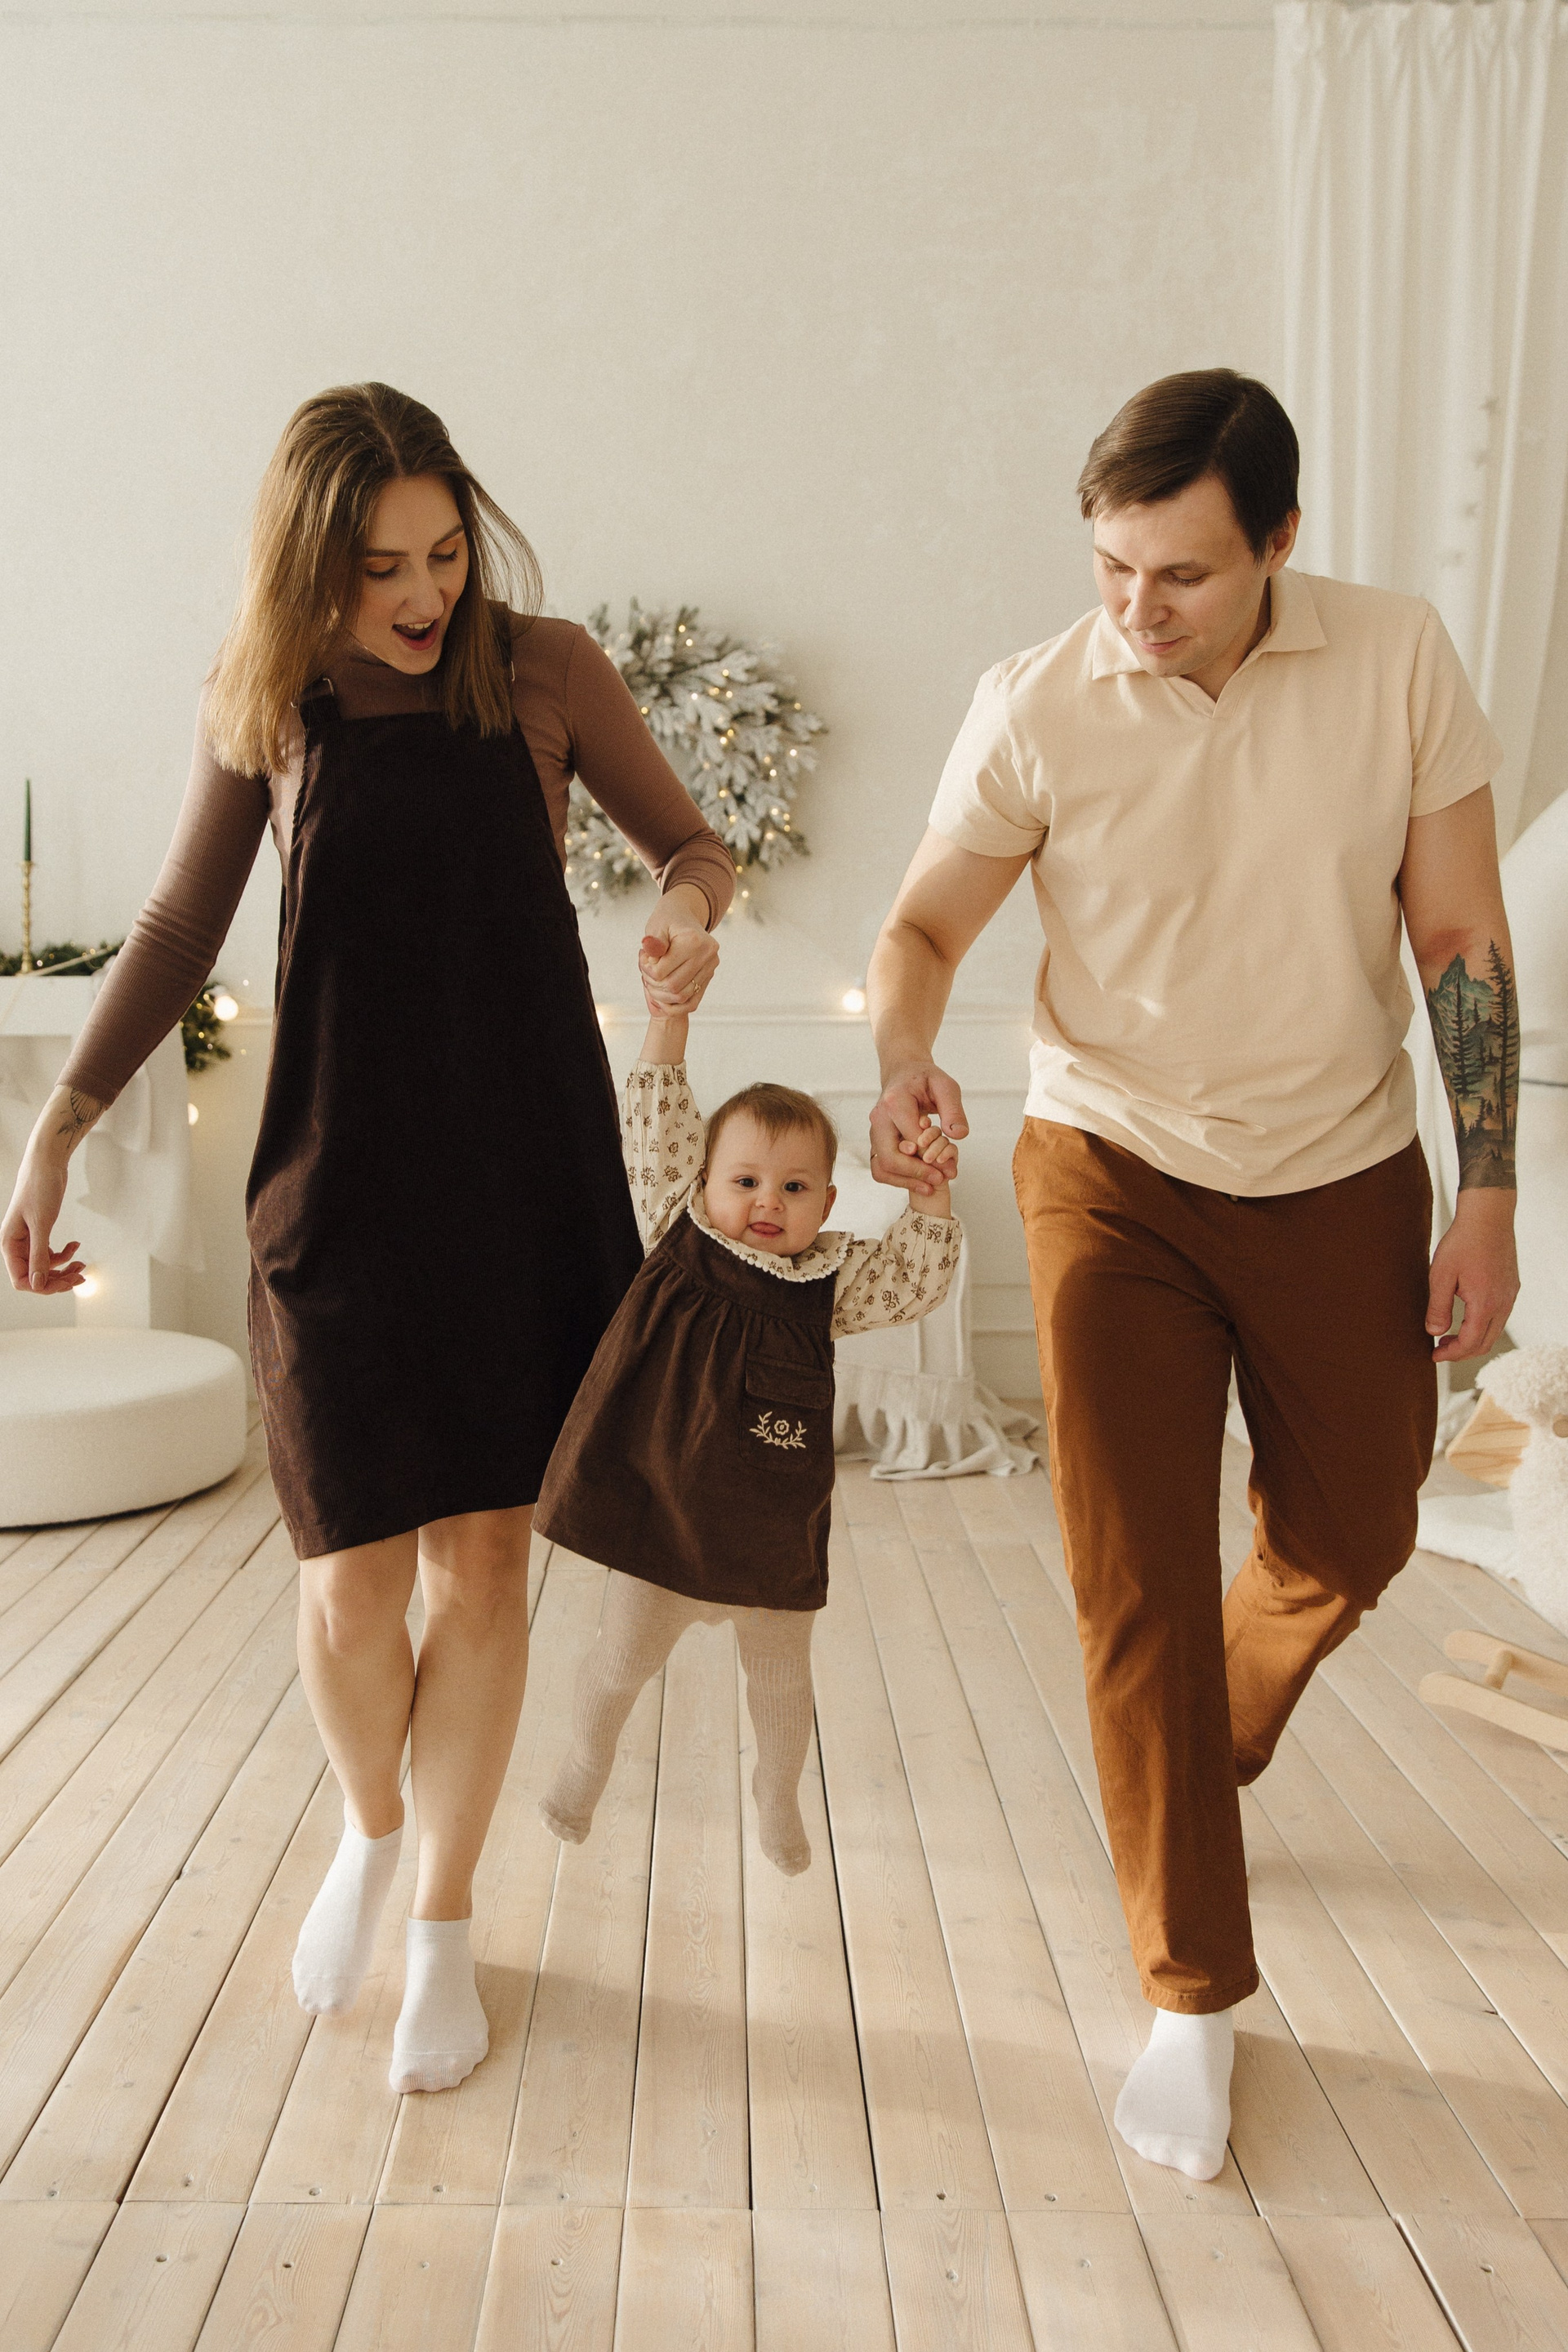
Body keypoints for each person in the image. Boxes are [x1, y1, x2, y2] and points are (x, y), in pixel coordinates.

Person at [1, 383, 734, 2096]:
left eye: (444, 553)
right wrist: (59, 1123)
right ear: (309, 565)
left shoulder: (546, 669)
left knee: (483, 1565)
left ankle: (446, 1927)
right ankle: (371, 1829)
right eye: (380, 567)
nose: (422, 595)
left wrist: (687, 916)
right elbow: (180, 925)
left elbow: (693, 848)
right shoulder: (266, 694)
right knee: (347, 1582)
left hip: (523, 1174)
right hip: (338, 1181)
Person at [866, 368, 1520, 2182]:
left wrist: (1486, 1195)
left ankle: (1204, 1733)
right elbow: (924, 922)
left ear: (1281, 544)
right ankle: (1191, 1988)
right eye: (1110, 568)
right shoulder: (1037, 700)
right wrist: (904, 1055)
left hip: (1340, 1167)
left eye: (1181, 575)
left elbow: (1460, 938)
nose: (1136, 610)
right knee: (1134, 1577)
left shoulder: (1397, 659)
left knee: (1359, 1530)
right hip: (1112, 1170)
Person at [533, 964, 960, 1873]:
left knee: (781, 1683)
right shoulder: (675, 1228)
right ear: (704, 1180)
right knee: (618, 1661)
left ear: (829, 1205)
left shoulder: (829, 1281)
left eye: (796, 1188)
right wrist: (668, 1019)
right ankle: (585, 1761)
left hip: (768, 1529)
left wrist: (930, 1190)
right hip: (659, 1512)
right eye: (747, 1179)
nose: (769, 1201)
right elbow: (654, 1115)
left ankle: (776, 1790)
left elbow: (914, 1281)